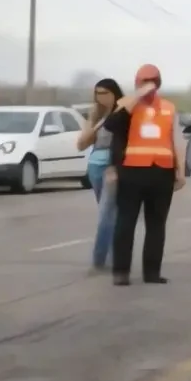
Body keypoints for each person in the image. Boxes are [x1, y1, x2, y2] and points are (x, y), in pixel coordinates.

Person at [102, 64, 185, 286]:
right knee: (125, 222)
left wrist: (181, 171)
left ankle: (152, 272)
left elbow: (177, 140)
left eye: (152, 81)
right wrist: (135, 96)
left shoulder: (169, 108)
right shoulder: (127, 106)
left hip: (162, 172)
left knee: (156, 225)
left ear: (158, 83)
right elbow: (110, 126)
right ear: (137, 83)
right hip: (132, 171)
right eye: (143, 81)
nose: (148, 86)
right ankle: (121, 272)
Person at [76, 77, 123, 273]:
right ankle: (114, 256)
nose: (101, 97)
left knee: (106, 214)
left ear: (114, 93)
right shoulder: (96, 114)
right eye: (97, 93)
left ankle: (99, 259)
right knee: (108, 213)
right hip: (95, 164)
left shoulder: (122, 112)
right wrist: (94, 122)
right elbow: (81, 144)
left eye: (105, 93)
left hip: (112, 166)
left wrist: (116, 166)